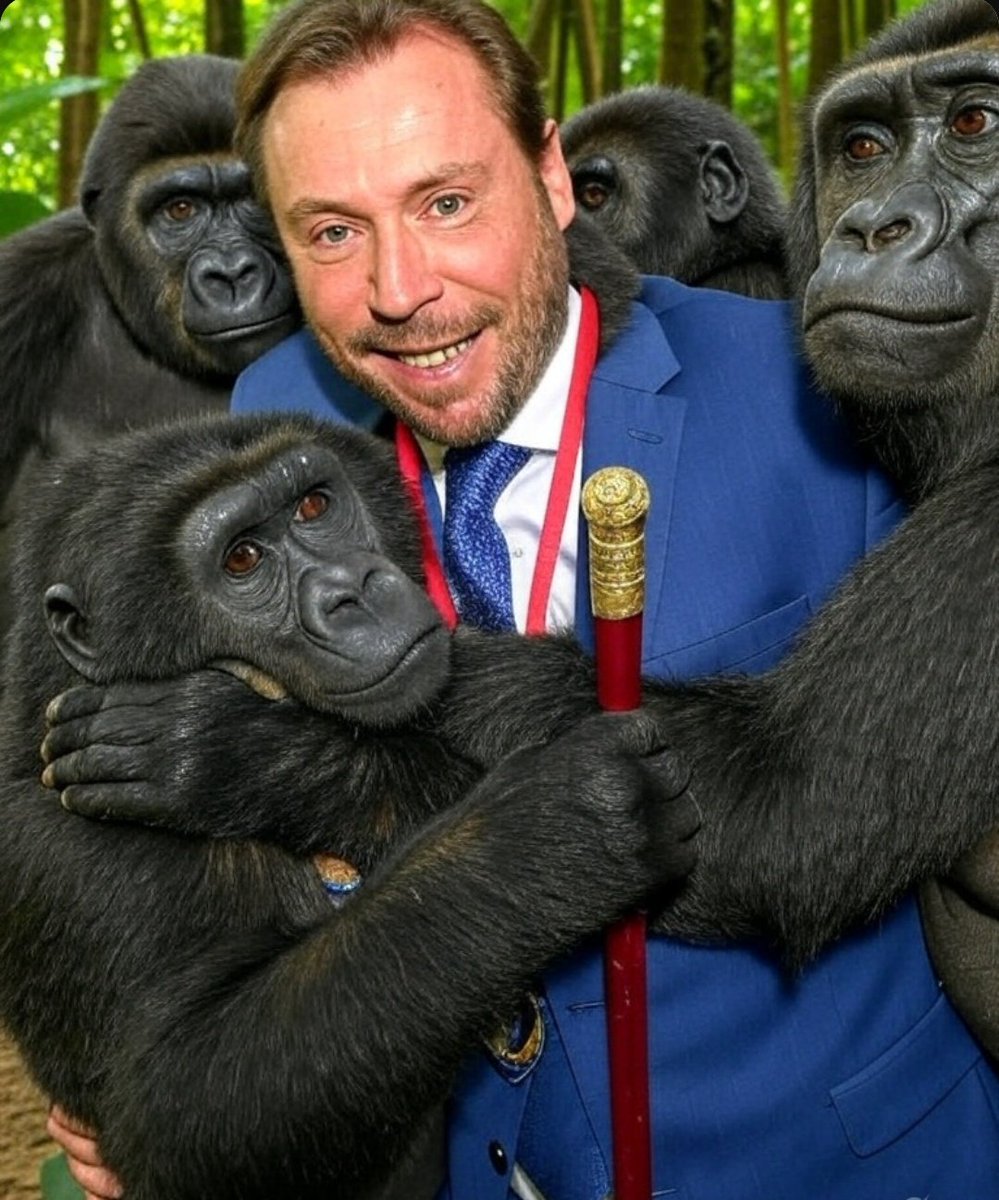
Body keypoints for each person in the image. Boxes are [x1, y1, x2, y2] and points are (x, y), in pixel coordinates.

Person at [48, 1, 999, 1197]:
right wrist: (161, 1080)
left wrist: (305, 758)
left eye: (448, 204)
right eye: (333, 232)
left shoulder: (821, 390)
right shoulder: (274, 415)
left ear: (552, 177)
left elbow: (802, 804)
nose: (403, 290)